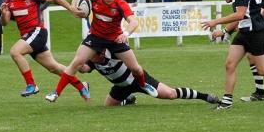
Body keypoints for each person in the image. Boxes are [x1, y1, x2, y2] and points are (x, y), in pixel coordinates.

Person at [45, 0, 157, 103]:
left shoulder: (120, 3)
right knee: (76, 63)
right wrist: (74, 7)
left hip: (115, 39)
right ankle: (56, 93)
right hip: (95, 37)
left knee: (135, 69)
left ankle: (143, 85)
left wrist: (125, 33)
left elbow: (134, 21)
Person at [1, 0, 83, 97]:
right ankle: (81, 86)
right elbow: (5, 22)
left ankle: (31, 85)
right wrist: (3, 14)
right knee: (54, 68)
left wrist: (71, 9)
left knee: (15, 52)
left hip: (37, 32)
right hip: (29, 37)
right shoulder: (9, 0)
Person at [81, 50, 219, 106]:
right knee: (108, 107)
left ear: (101, 53)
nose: (90, 56)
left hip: (139, 80)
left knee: (170, 94)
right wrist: (74, 66)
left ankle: (204, 96)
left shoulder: (114, 52)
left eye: (92, 53)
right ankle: (127, 100)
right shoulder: (92, 60)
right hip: (121, 87)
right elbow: (84, 69)